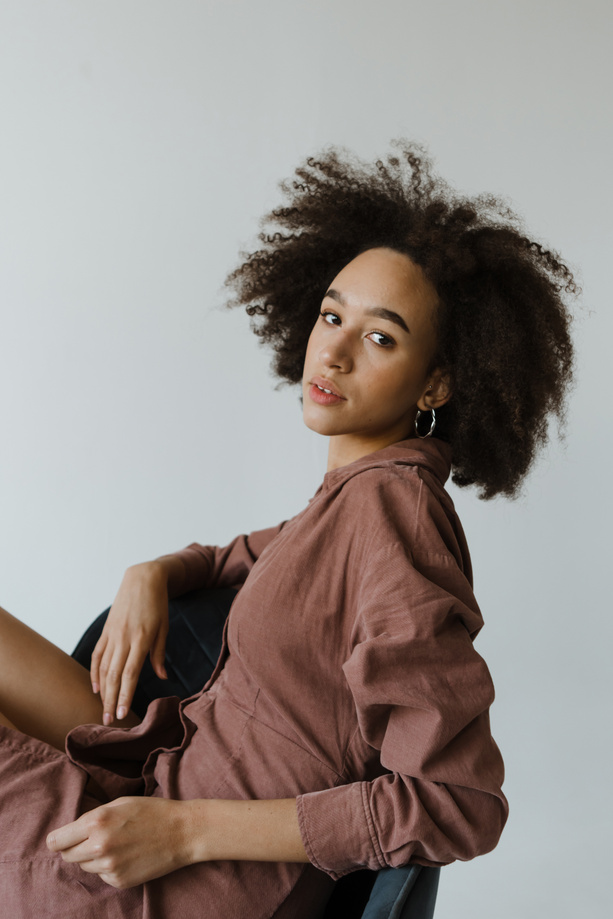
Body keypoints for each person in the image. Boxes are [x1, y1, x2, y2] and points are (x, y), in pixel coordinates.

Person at [0, 142, 575, 918]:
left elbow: (456, 803)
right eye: (331, 314)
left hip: (173, 877)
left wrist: (185, 830)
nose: (332, 349)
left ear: (436, 380)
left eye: (379, 336)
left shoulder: (393, 517)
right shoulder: (353, 497)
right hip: (156, 783)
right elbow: (242, 557)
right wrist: (153, 573)